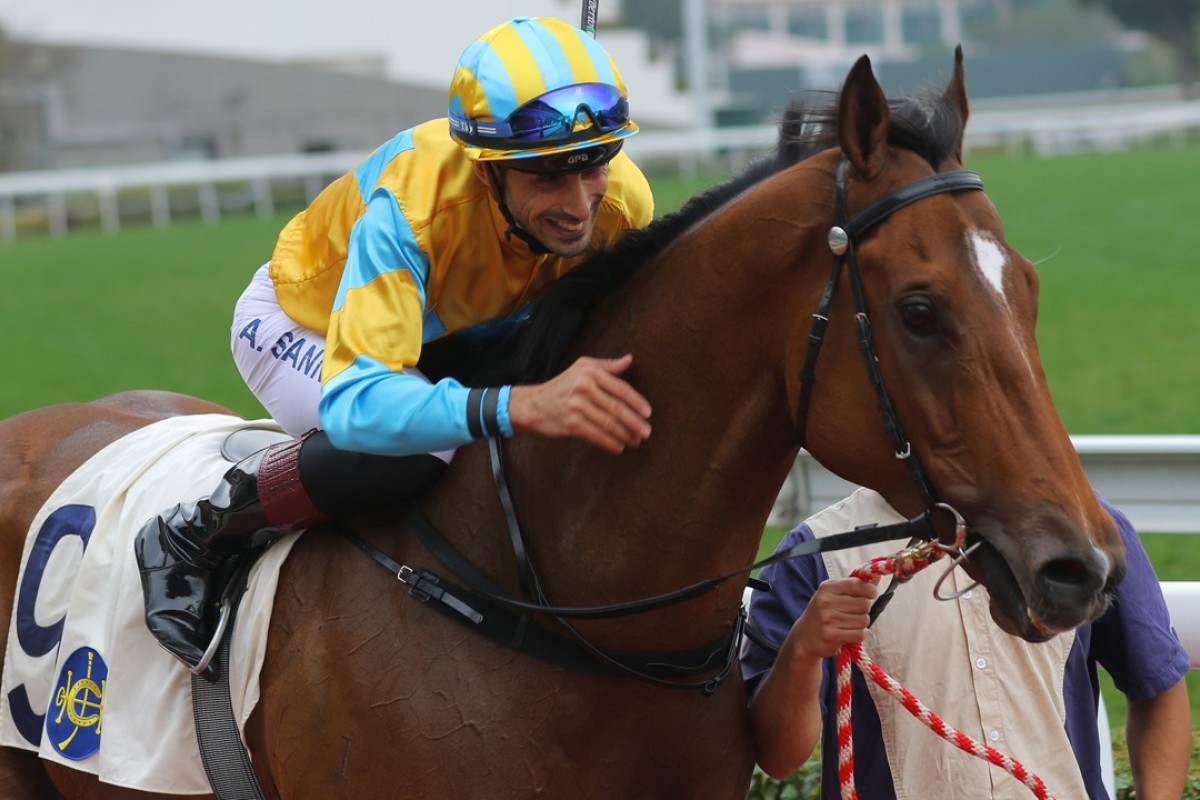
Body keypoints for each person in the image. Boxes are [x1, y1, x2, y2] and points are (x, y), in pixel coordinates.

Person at [135, 15, 656, 674]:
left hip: (447, 333)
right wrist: (515, 407)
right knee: (429, 440)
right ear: (488, 168)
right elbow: (360, 404)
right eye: (548, 177)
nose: (580, 205)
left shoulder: (624, 204)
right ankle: (197, 529)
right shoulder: (411, 208)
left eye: (594, 166)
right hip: (303, 326)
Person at [741, 487, 1192, 800]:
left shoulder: (1087, 527)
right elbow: (780, 757)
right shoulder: (815, 556)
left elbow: (1157, 686)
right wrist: (802, 651)